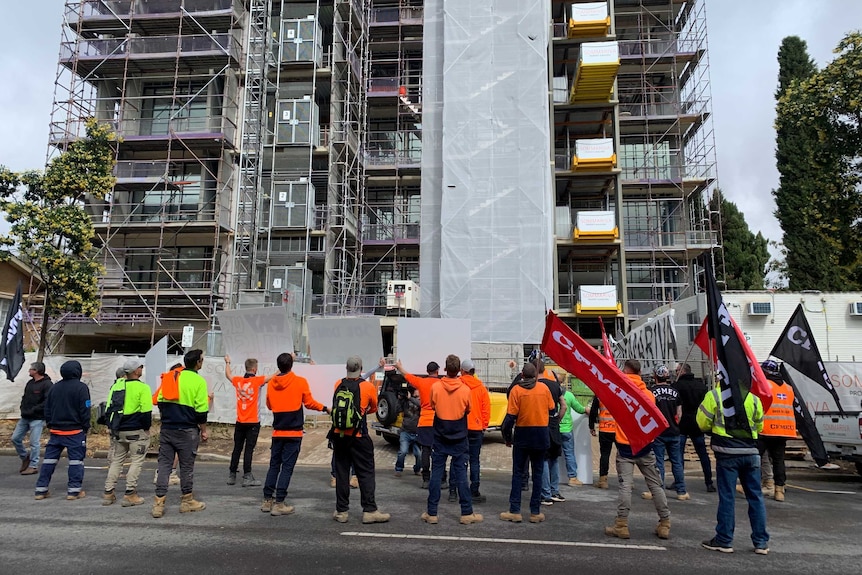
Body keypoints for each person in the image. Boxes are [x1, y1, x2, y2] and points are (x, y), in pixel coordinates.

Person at [698, 377, 769, 554]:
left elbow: (702, 423)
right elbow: (760, 426)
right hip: (751, 453)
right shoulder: (753, 398)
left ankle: (724, 540)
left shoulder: (714, 396)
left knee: (727, 497)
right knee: (756, 497)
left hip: (727, 453)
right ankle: (761, 543)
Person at [605, 360, 671, 541]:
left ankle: (622, 524)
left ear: (625, 370)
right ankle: (665, 523)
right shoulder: (649, 395)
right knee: (655, 485)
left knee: (625, 486)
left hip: (625, 446)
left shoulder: (619, 392)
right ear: (640, 372)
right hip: (644, 445)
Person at [261, 352, 328, 516]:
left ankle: (267, 500)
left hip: (278, 432)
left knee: (274, 466)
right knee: (287, 468)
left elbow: (269, 405)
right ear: (292, 365)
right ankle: (280, 503)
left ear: (278, 366)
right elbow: (309, 403)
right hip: (294, 432)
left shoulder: (271, 384)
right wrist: (325, 408)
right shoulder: (300, 382)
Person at [422, 354, 482, 525]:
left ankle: (432, 512)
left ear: (446, 369)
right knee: (462, 474)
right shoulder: (465, 390)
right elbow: (468, 409)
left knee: (436, 474)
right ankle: (466, 513)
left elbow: (433, 405)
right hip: (459, 436)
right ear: (459, 371)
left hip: (440, 435)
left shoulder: (436, 387)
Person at [330, 356, 390, 524]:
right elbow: (373, 407)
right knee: (366, 472)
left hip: (340, 435)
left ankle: (341, 511)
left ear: (346, 368)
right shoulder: (368, 387)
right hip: (359, 436)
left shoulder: (338, 384)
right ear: (361, 368)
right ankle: (369, 510)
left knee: (342, 473)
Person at [152, 349, 210, 518]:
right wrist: (204, 430)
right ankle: (187, 501)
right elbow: (201, 412)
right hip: (188, 430)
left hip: (168, 429)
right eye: (202, 360)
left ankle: (158, 503)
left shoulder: (172, 377)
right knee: (186, 467)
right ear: (198, 363)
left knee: (164, 466)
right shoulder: (199, 381)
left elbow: (160, 400)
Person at [500, 363, 555, 524]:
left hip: (523, 434)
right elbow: (552, 409)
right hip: (541, 434)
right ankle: (535, 511)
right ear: (536, 375)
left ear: (522, 375)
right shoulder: (544, 389)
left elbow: (510, 417)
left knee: (518, 473)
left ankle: (515, 510)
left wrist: (507, 437)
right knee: (537, 474)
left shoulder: (517, 390)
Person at [34, 360, 91, 501]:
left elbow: (47, 408)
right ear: (78, 372)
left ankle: (41, 490)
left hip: (56, 431)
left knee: (49, 461)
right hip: (75, 431)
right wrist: (85, 427)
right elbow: (85, 408)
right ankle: (74, 491)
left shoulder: (55, 387)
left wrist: (50, 424)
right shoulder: (81, 388)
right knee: (76, 462)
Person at [102, 359, 153, 507]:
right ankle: (130, 493)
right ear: (136, 371)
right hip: (136, 430)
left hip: (119, 430)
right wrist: (146, 428)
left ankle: (108, 492)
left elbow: (109, 408)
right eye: (140, 367)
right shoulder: (143, 388)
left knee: (117, 460)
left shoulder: (116, 386)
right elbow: (146, 412)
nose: (141, 369)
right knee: (136, 461)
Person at [224, 355, 276, 488]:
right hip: (253, 421)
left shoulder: (238, 381)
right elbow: (274, 375)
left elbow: (228, 375)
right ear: (254, 369)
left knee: (237, 448)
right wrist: (290, 360)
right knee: (249, 449)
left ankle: (232, 474)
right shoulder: (258, 381)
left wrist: (228, 362)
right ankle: (247, 476)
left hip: (240, 420)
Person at [446, 358, 490, 503]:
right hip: (476, 429)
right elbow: (486, 409)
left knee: (456, 459)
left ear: (462, 371)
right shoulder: (481, 387)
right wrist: (483, 425)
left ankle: (453, 491)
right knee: (474, 460)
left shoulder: (458, 385)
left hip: (460, 427)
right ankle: (474, 491)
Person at [642, 365, 689, 501]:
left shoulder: (651, 392)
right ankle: (681, 491)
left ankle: (658, 490)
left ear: (654, 376)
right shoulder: (675, 392)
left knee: (659, 462)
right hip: (674, 431)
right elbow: (679, 413)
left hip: (658, 432)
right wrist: (675, 424)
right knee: (677, 462)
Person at [395, 359, 443, 489]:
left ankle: (426, 479)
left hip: (423, 422)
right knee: (439, 452)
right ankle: (441, 479)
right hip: (438, 422)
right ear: (437, 371)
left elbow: (408, 376)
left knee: (425, 451)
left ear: (427, 371)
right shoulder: (441, 383)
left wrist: (399, 367)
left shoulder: (421, 382)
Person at [758, 360, 796, 502]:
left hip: (766, 429)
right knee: (779, 461)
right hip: (783, 430)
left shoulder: (765, 385)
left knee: (757, 458)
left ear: (766, 372)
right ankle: (779, 490)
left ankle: (752, 485)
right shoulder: (788, 388)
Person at [675, 363, 715, 492]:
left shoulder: (676, 387)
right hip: (697, 424)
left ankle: (678, 482)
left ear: (682, 372)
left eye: (677, 370)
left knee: (678, 455)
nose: (675, 373)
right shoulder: (701, 387)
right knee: (703, 454)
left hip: (681, 424)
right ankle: (709, 482)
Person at [12, 362, 52, 475]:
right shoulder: (30, 383)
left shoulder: (47, 384)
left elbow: (47, 402)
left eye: (31, 369)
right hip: (25, 417)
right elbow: (25, 397)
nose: (29, 371)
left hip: (37, 418)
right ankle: (25, 457)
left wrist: (34, 410)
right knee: (15, 438)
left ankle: (33, 465)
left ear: (37, 371)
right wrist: (22, 407)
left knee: (34, 442)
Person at [536, 359, 567, 506]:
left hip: (541, 423)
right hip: (554, 424)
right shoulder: (555, 385)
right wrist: (558, 419)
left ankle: (545, 493)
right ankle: (555, 491)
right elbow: (564, 406)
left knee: (543, 458)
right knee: (554, 458)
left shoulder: (536, 386)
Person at [559, 378, 586, 487]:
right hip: (566, 430)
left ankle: (551, 478)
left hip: (553, 430)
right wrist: (586, 410)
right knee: (569, 454)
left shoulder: (549, 393)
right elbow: (579, 409)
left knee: (551, 456)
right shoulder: (569, 395)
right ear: (564, 383)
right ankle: (572, 478)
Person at [589, 397, 616, 489]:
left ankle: (603, 480)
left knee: (605, 455)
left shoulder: (599, 395)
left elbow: (593, 411)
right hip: (618, 430)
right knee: (622, 456)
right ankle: (626, 480)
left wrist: (591, 426)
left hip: (604, 429)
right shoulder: (620, 392)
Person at [394, 384, 421, 478]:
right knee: (403, 451)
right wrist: (400, 399)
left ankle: (417, 469)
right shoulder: (406, 401)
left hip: (417, 432)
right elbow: (397, 410)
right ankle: (398, 469)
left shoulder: (422, 400)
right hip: (405, 431)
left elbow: (420, 405)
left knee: (419, 454)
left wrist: (410, 398)